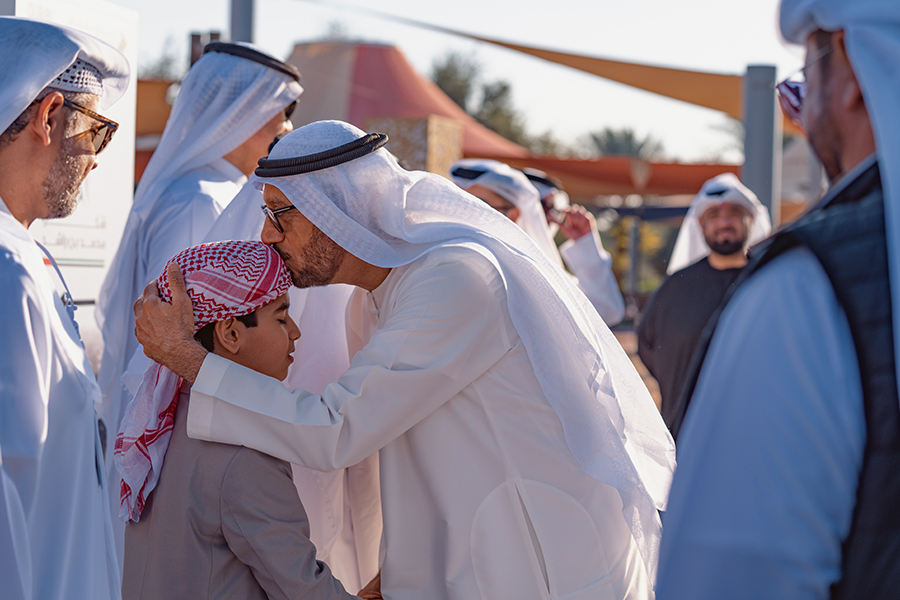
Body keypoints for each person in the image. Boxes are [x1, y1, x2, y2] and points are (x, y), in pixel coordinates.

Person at [134, 121, 675, 600]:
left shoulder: (455, 278)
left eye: (279, 216)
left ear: (335, 210)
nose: (267, 237)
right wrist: (397, 574)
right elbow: (387, 457)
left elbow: (336, 429)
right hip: (478, 559)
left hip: (541, 565)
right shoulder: (369, 301)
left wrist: (187, 357)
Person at [656, 1, 900, 598]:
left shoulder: (808, 285)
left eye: (808, 73)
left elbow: (732, 576)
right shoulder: (688, 291)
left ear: (848, 74)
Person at [95, 41, 303, 562]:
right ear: (241, 113)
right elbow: (184, 324)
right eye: (279, 117)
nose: (286, 133)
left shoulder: (192, 188)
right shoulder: (203, 198)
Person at [116, 240, 375, 600]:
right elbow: (302, 589)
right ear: (231, 334)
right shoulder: (244, 455)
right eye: (282, 318)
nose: (296, 332)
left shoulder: (166, 423)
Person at [202, 162, 381, 592]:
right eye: (283, 317)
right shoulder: (242, 466)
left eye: (281, 216)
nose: (268, 235)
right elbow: (297, 578)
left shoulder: (360, 299)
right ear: (227, 332)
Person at [0, 16, 130, 600]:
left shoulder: (23, 257)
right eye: (97, 132)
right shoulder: (10, 271)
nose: (98, 158)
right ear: (49, 118)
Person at [636, 173, 770, 432]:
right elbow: (648, 343)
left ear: (751, 218)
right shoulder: (676, 287)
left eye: (733, 211)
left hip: (755, 431)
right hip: (686, 431)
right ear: (700, 224)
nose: (724, 221)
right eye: (713, 215)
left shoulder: (769, 278)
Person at [451, 158, 626, 324]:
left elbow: (606, 312)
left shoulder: (542, 270)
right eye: (542, 205)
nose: (551, 216)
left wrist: (585, 244)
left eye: (554, 208)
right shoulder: (477, 260)